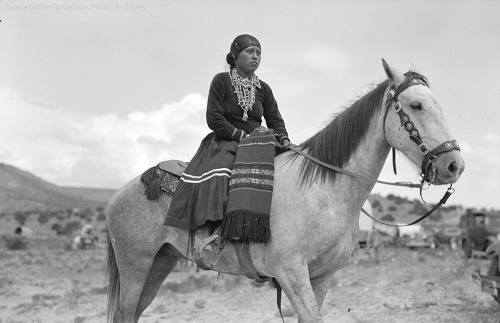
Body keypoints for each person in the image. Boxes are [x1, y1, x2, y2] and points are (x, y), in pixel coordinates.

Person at [164, 34, 291, 248]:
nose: (255, 57)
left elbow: (275, 120)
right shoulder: (221, 81)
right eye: (250, 52)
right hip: (226, 140)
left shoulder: (264, 88)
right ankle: (208, 229)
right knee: (221, 170)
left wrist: (285, 140)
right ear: (235, 54)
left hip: (259, 143)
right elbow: (214, 118)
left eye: (259, 53)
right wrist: (242, 137)